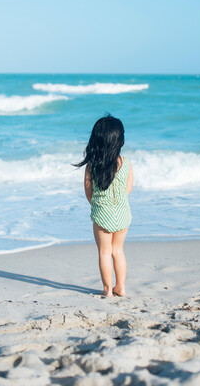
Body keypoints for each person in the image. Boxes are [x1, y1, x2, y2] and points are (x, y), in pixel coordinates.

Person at [74, 114, 133, 297]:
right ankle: (121, 288)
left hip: (102, 214)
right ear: (120, 141)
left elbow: (88, 192)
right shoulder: (126, 163)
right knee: (118, 251)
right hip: (123, 213)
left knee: (104, 252)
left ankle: (107, 289)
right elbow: (128, 189)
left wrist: (99, 205)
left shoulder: (92, 165)